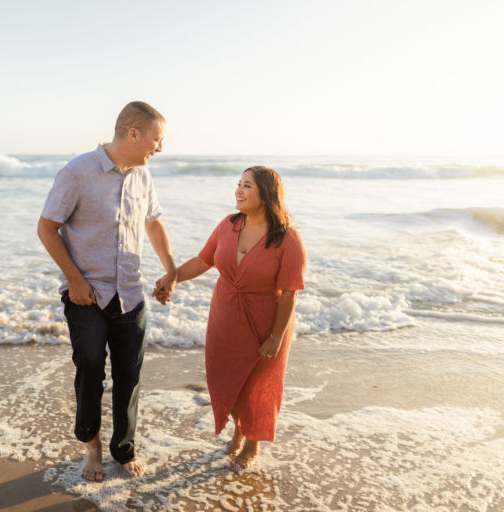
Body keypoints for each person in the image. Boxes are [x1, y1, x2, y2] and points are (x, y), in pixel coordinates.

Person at [37, 101, 176, 481]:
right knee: (91, 371)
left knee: (130, 376)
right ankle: (93, 449)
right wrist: (75, 280)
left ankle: (123, 448)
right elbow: (46, 228)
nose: (159, 148)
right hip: (87, 295)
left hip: (130, 292)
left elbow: (154, 223)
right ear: (134, 133)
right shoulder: (77, 172)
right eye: (156, 139)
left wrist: (170, 269)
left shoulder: (143, 176)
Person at [153, 166, 307, 470]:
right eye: (238, 184)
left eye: (247, 186)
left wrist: (275, 336)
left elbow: (290, 292)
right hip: (225, 316)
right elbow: (202, 261)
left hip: (266, 322)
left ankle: (252, 444)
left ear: (266, 194)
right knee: (225, 381)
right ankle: (239, 428)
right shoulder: (228, 225)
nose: (238, 190)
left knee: (257, 386)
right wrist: (171, 278)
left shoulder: (287, 238)